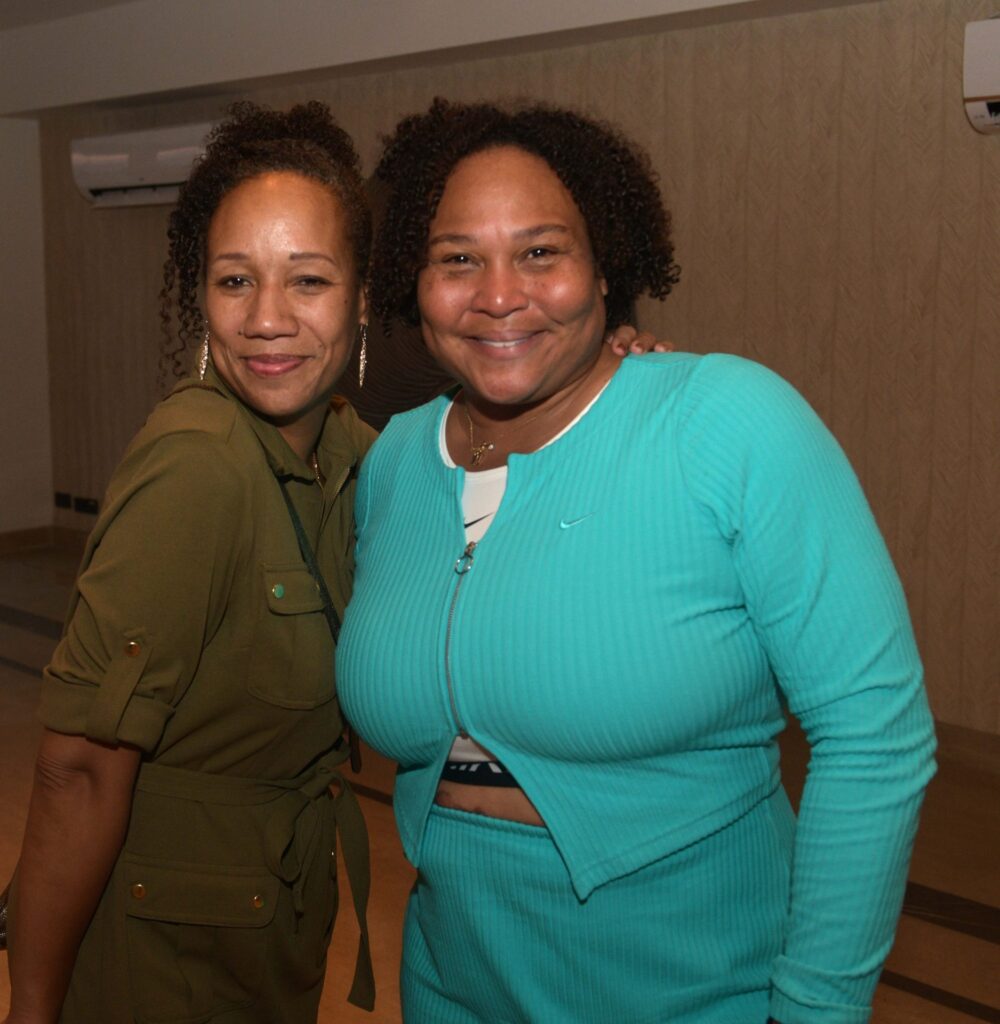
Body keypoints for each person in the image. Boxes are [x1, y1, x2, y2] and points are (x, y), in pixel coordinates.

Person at [335, 98, 938, 1024]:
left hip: (703, 994)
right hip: (452, 986)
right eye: (457, 259)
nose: (499, 294)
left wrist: (817, 1008)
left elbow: (875, 736)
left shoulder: (729, 424)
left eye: (541, 252)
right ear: (412, 281)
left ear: (606, 265)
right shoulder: (395, 464)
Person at [3, 101, 376, 1024]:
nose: (267, 319)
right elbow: (79, 770)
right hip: (164, 960)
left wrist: (607, 376)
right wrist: (33, 1009)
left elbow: (483, 462)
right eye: (235, 280)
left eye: (308, 280)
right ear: (200, 298)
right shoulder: (197, 468)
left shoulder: (343, 449)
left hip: (271, 928)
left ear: (362, 300)